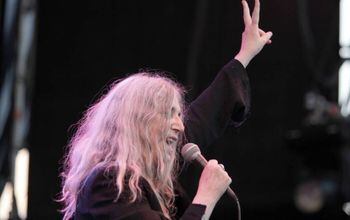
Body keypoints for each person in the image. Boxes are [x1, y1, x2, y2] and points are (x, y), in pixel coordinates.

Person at [59, 0, 272, 219]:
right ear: (138, 122)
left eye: (178, 114)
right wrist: (206, 197)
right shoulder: (107, 183)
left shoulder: (143, 174)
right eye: (168, 114)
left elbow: (205, 115)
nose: (180, 125)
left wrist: (244, 55)